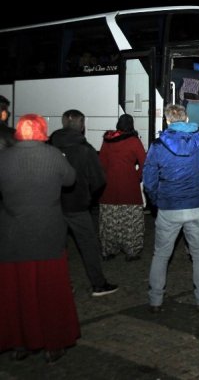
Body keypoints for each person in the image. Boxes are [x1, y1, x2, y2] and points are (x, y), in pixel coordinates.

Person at [0, 114, 79, 363]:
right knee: (50, 290)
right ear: (42, 131)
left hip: (13, 233)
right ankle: (52, 344)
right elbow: (70, 180)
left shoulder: (4, 158)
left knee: (16, 291)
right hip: (47, 231)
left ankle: (19, 342)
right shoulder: (52, 155)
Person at [144, 104, 199, 312]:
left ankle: (156, 300)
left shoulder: (158, 145)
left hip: (170, 205)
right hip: (197, 205)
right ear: (186, 118)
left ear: (167, 121)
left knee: (161, 254)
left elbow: (149, 180)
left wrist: (157, 200)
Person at [50, 109, 118, 297]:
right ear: (81, 125)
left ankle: (61, 285)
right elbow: (99, 180)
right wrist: (89, 197)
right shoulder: (85, 149)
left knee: (57, 247)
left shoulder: (50, 145)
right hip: (78, 204)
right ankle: (98, 284)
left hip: (54, 204)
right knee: (88, 245)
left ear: (63, 123)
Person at [98, 114, 147, 261]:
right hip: (129, 186)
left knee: (109, 219)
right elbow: (145, 163)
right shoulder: (134, 141)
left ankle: (109, 250)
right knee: (131, 220)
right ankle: (131, 251)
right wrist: (136, 176)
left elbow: (102, 164)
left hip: (109, 187)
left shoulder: (108, 141)